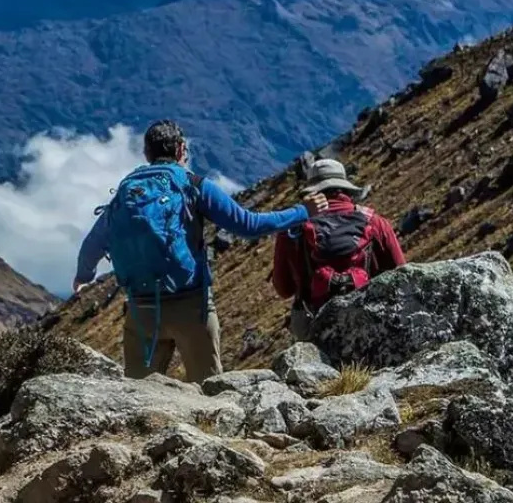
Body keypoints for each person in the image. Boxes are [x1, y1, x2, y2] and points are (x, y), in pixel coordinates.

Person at [72, 120, 328, 382]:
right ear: (181, 149)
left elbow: (92, 244)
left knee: (135, 395)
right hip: (192, 307)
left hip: (141, 310)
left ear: (147, 154)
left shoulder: (127, 193)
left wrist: (84, 276)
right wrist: (302, 212)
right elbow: (249, 225)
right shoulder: (194, 185)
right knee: (208, 391)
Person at [271, 158, 406, 341]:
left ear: (312, 192)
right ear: (344, 187)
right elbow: (401, 274)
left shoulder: (292, 229)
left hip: (315, 328)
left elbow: (283, 289)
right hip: (370, 320)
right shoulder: (376, 223)